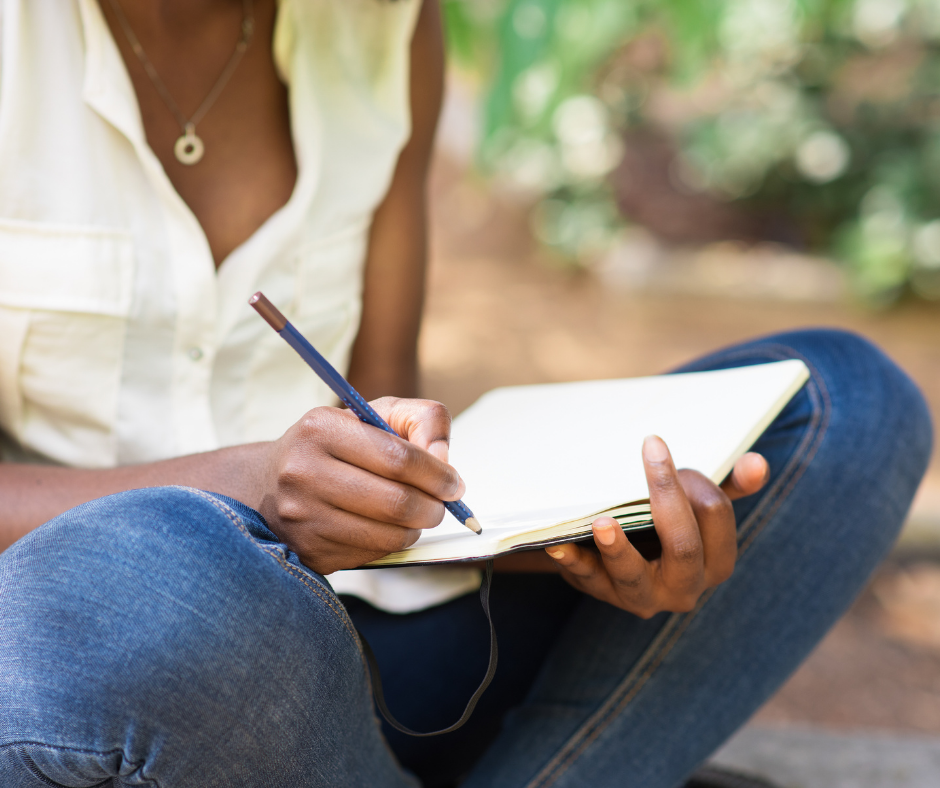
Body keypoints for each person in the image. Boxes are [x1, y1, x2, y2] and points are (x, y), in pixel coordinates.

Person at [0, 1, 932, 787]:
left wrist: (601, 535)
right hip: (123, 662)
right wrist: (248, 492)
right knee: (151, 583)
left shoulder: (387, 26)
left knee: (849, 404)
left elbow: (394, 438)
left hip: (377, 638)